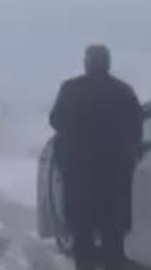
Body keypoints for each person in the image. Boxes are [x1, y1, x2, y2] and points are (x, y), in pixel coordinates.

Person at [50, 45, 143, 270]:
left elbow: (55, 120)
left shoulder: (71, 89)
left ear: (87, 63)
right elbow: (137, 129)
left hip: (79, 175)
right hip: (113, 176)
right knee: (113, 236)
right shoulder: (123, 91)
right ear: (108, 63)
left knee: (82, 236)